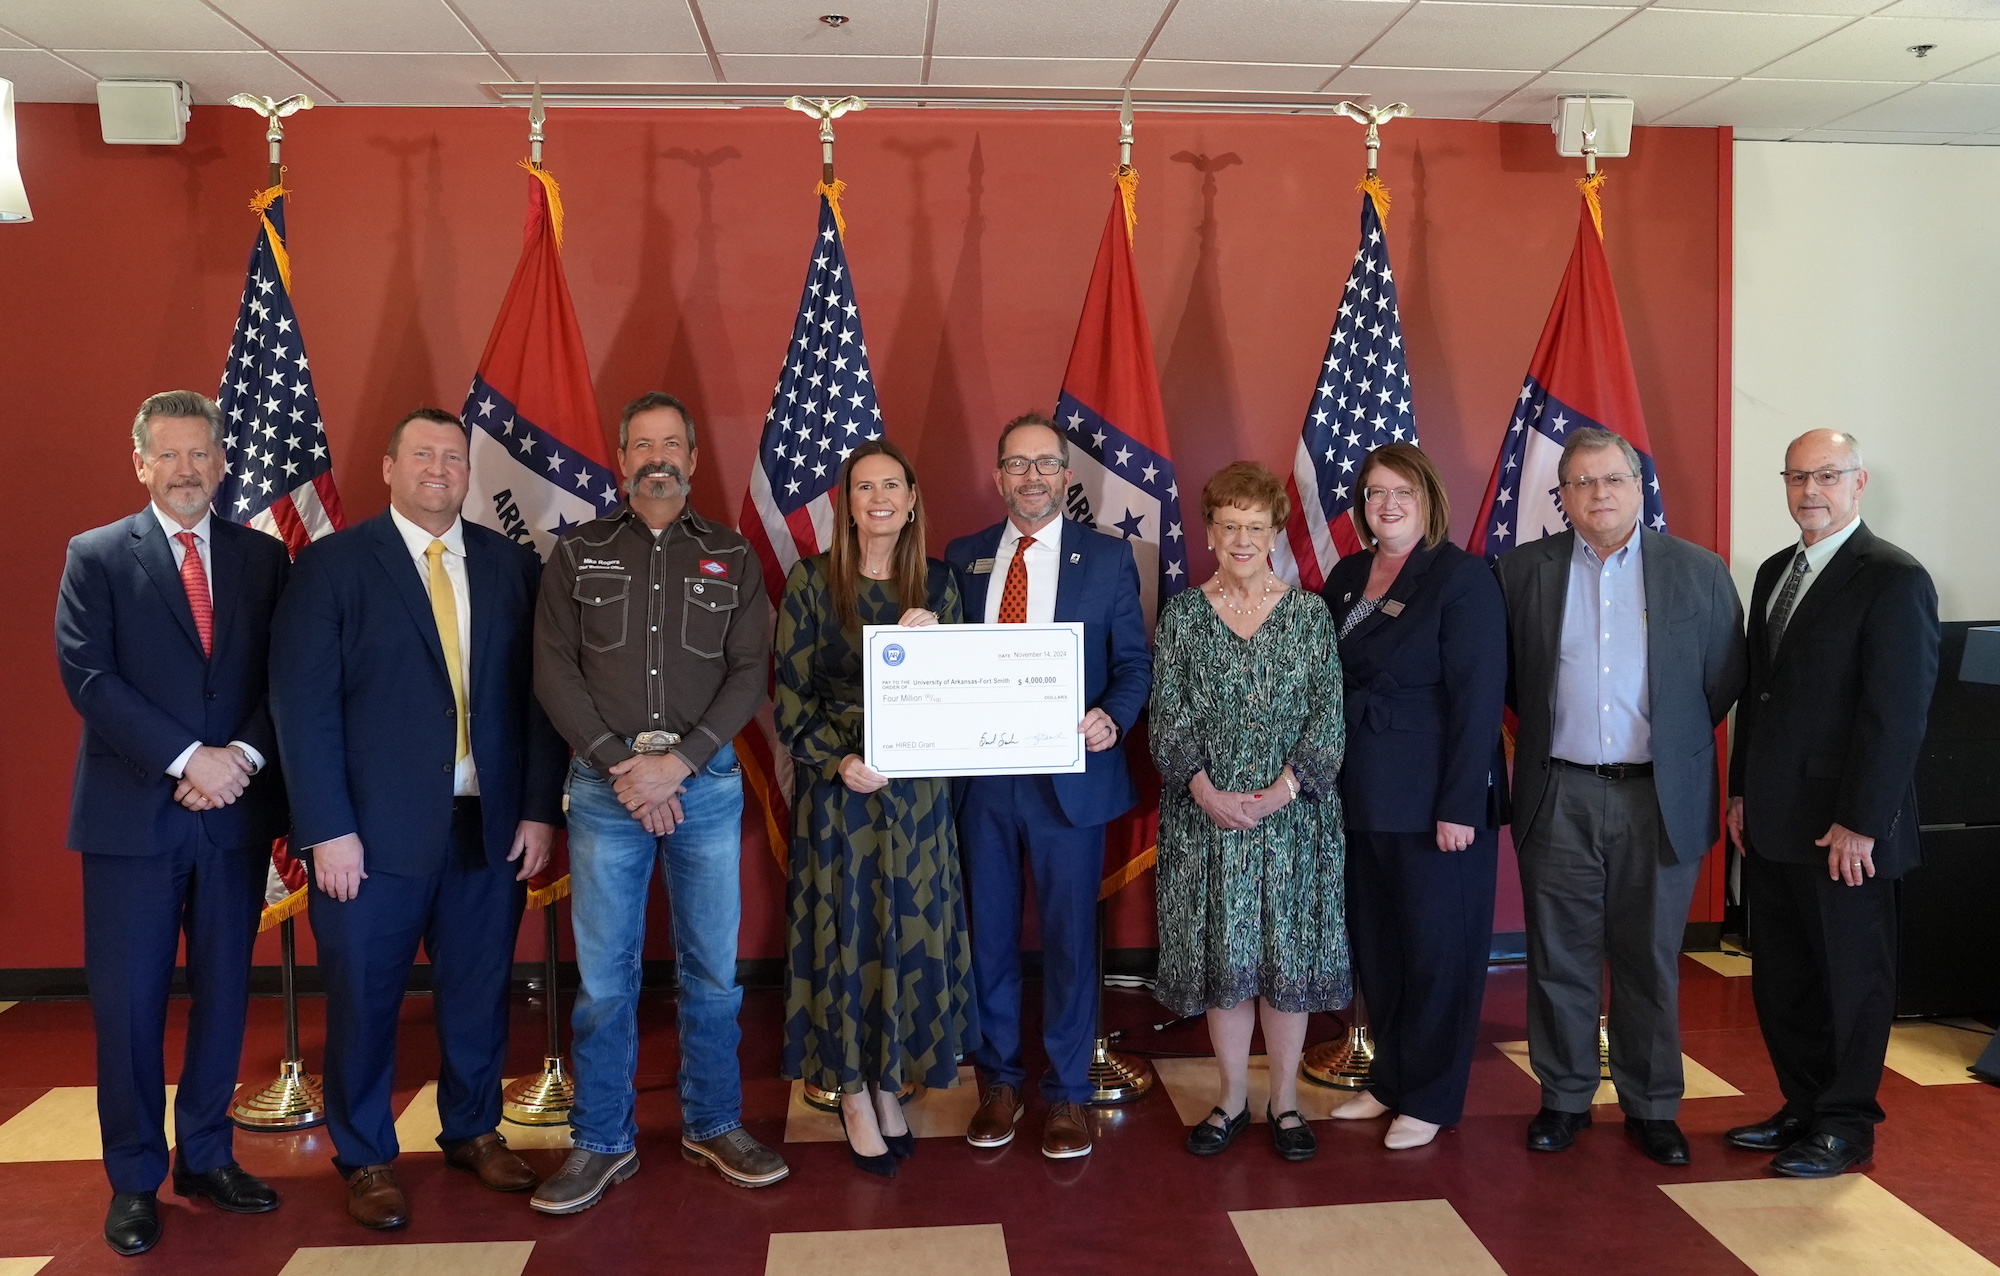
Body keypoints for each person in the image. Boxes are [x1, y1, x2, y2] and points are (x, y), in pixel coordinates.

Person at [271, 408, 564, 1229]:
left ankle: (472, 1130)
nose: (439, 468)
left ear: (469, 472)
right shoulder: (331, 566)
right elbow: (302, 706)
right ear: (390, 468)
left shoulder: (513, 566)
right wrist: (326, 828)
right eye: (423, 454)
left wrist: (538, 809)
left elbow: (540, 701)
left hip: (488, 828)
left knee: (478, 994)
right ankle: (365, 1156)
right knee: (364, 1002)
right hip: (367, 839)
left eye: (453, 457)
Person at [532, 392, 787, 1211]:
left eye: (672, 445)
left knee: (713, 972)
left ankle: (714, 1123)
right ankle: (602, 1141)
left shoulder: (732, 554)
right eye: (643, 445)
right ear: (620, 458)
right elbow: (553, 670)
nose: (658, 459)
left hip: (703, 786)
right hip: (604, 789)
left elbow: (748, 672)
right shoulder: (576, 554)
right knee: (605, 980)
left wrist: (675, 765)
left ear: (693, 459)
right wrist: (623, 767)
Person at [55, 391, 290, 1256]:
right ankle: (133, 1178)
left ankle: (207, 1156)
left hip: (233, 817)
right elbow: (89, 678)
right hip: (132, 822)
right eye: (170, 454)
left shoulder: (264, 557)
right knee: (128, 1006)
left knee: (224, 995)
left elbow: (288, 675)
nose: (187, 470)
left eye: (201, 453)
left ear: (222, 462)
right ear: (141, 463)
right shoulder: (96, 556)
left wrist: (242, 760)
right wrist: (192, 759)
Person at [1493, 426, 1745, 1167]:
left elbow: (1722, 680)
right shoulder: (1521, 572)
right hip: (1559, 791)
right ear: (1563, 496)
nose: (1598, 494)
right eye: (1582, 482)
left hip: (1657, 796)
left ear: (1639, 487)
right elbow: (1513, 682)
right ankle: (1564, 1097)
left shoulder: (1699, 572)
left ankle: (1653, 1105)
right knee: (1558, 956)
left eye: (1612, 479)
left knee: (1650, 959)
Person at [1725, 429, 1939, 1178]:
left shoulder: (1894, 578)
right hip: (1773, 820)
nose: (1809, 490)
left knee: (1853, 983)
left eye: (1826, 475)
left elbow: (1897, 716)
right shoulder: (1775, 572)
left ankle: (1846, 1126)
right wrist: (1741, 790)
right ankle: (1804, 1106)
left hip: (1846, 830)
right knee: (1784, 980)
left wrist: (1861, 822)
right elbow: (1759, 696)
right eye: (1796, 476)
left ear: (1858, 482)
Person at [945, 412, 1152, 1160]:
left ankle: (1067, 1091)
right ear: (997, 476)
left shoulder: (1108, 559)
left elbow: (1133, 664)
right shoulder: (962, 557)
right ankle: (998, 1083)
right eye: (1016, 464)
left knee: (1069, 940)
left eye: (1044, 464)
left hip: (1070, 780)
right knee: (990, 939)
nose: (1031, 477)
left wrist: (1112, 718)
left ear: (1066, 476)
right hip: (983, 783)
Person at [774, 440, 979, 1178]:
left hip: (917, 800)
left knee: (906, 937)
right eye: (865, 487)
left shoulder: (941, 584)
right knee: (849, 939)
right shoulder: (810, 581)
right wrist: (837, 761)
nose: (880, 497)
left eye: (893, 484)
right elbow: (790, 694)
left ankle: (891, 1083)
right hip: (842, 796)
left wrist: (940, 646)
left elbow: (963, 693)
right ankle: (853, 1093)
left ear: (912, 499)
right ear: (848, 503)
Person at [1150, 461, 1349, 1162]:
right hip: (1206, 821)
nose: (1241, 539)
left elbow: (1328, 718)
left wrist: (1281, 792)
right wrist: (1206, 791)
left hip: (1293, 822)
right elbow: (1167, 719)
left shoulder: (1310, 615)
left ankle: (1284, 1101)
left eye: (1255, 527)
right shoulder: (1181, 615)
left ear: (1273, 534)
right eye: (1229, 526)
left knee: (1286, 964)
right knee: (1225, 963)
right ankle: (1232, 1098)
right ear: (1209, 532)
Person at [1320, 444, 1508, 1151]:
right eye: (1375, 493)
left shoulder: (1462, 577)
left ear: (1429, 499)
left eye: (1403, 491)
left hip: (1435, 800)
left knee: (1437, 953)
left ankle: (1430, 1097)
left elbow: (1478, 700)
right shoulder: (1347, 575)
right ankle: (1390, 1080)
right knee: (1382, 949)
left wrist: (1460, 805)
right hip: (1360, 793)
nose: (1388, 505)